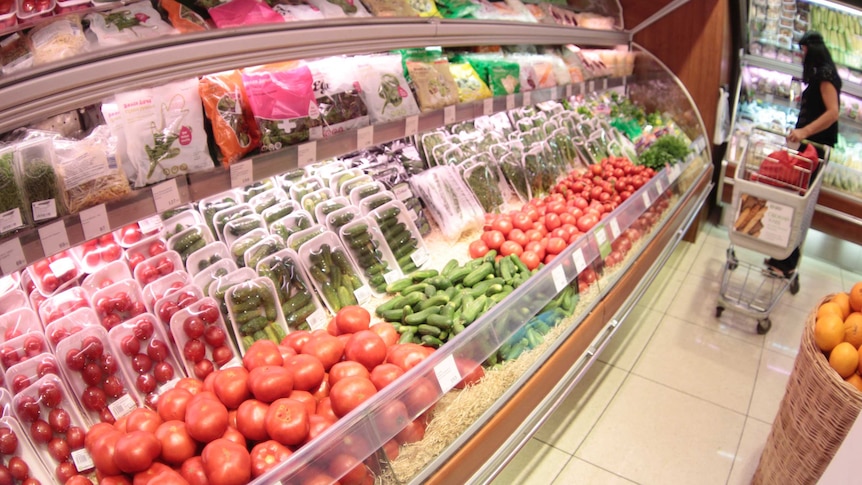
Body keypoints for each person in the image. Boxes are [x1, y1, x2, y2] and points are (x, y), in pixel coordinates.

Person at [766, 30, 840, 277]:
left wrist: (804, 131)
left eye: (803, 51)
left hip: (816, 150)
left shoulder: (826, 76)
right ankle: (783, 256)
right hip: (809, 148)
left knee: (802, 205)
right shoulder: (819, 75)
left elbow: (833, 113)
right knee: (798, 201)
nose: (801, 56)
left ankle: (787, 261)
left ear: (813, 51)